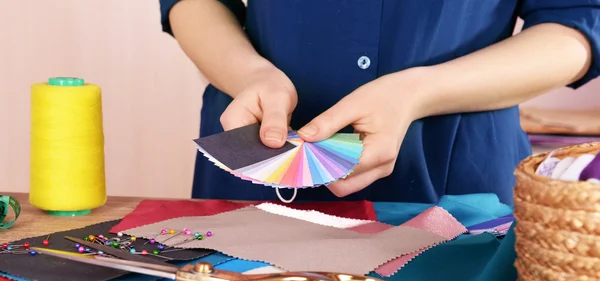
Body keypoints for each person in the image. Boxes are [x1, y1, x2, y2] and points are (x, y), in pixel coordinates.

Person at [159, 0, 600, 205]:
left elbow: (576, 25)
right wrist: (248, 74)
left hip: (452, 184)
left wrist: (417, 91)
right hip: (256, 169)